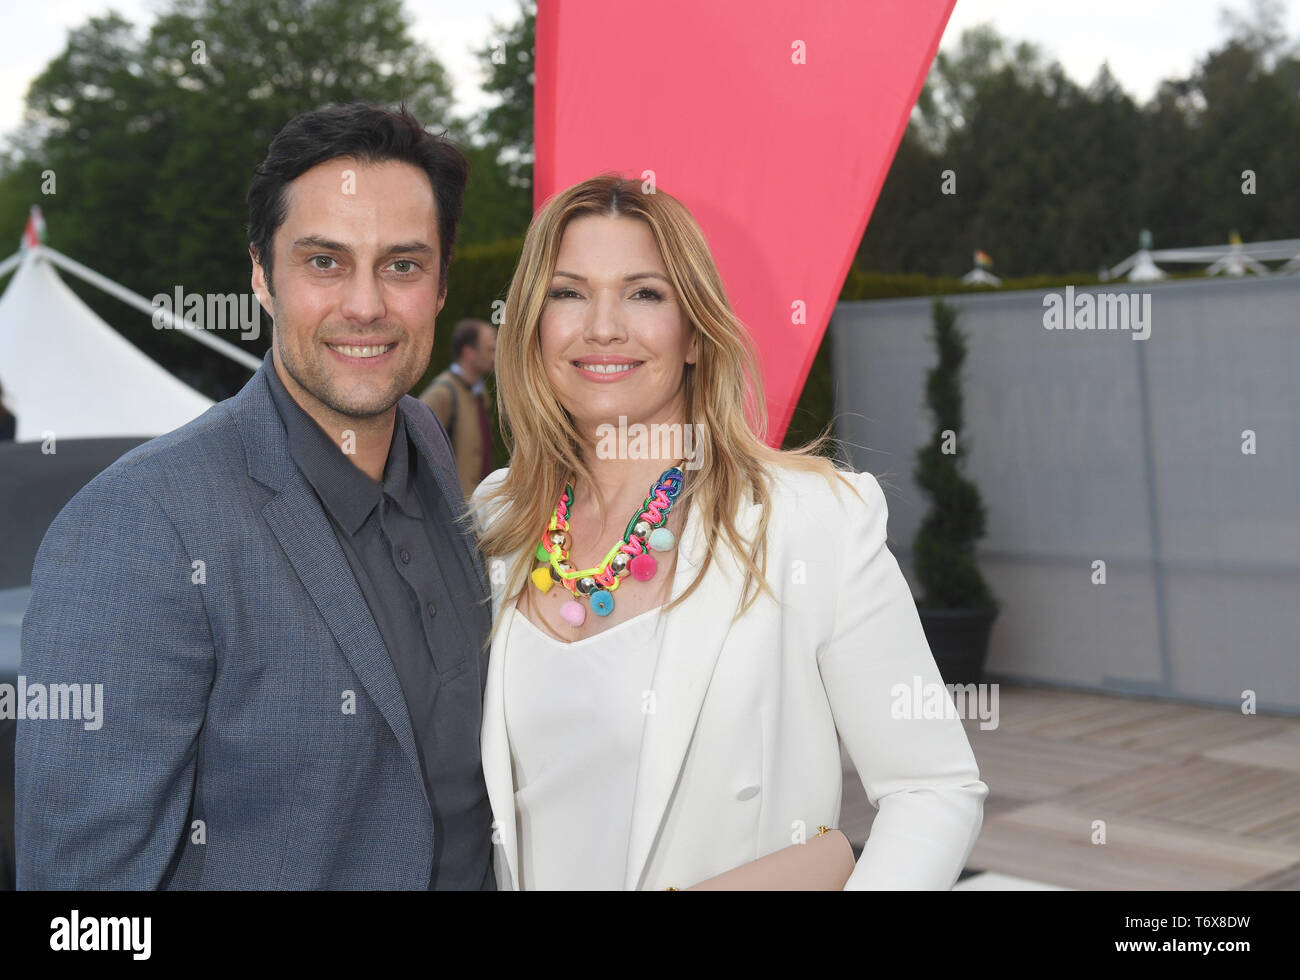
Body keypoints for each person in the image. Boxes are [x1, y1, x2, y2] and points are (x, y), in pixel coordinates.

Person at [15, 102, 495, 889]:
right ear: (261, 277)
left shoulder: (427, 444)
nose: (366, 305)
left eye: (402, 265)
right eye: (325, 262)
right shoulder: (137, 528)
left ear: (441, 285)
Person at [466, 174, 988, 890]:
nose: (603, 326)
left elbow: (933, 789)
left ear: (691, 333)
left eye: (644, 293)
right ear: (531, 324)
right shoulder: (498, 515)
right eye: (569, 292)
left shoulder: (810, 519)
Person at [419, 318, 497, 498]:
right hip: (449, 511)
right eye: (489, 350)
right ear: (469, 353)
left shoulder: (479, 393)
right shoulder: (442, 394)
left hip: (476, 507)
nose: (494, 357)